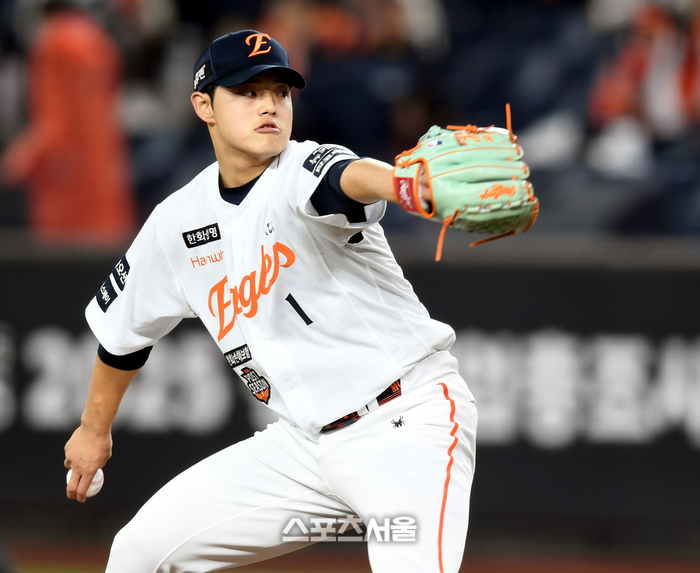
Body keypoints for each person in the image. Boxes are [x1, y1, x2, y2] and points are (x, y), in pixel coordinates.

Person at [63, 30, 477, 572]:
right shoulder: (176, 221)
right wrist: (93, 429)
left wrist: (404, 184)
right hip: (303, 447)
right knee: (138, 553)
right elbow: (124, 337)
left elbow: (350, 178)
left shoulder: (302, 170)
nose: (269, 106)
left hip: (405, 424)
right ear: (204, 106)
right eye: (247, 92)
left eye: (280, 92)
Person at [0, 0, 134, 246]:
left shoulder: (54, 46)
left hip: (67, 189)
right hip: (105, 181)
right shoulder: (97, 40)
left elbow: (54, 127)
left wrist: (13, 167)